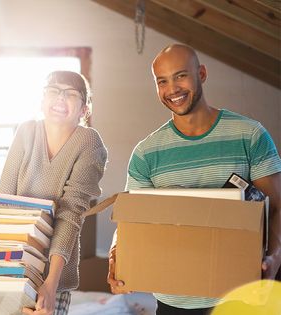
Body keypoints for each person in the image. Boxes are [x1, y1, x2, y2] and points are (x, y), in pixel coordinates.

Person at [107, 44, 281, 314]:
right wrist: (116, 256)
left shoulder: (249, 135)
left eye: (180, 76)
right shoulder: (146, 153)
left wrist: (275, 257)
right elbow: (133, 220)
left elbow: (278, 205)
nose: (172, 89)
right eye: (162, 81)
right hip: (173, 301)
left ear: (201, 73)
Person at [0, 70, 108, 315]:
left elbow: (70, 214)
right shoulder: (26, 131)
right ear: (42, 100)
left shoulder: (88, 142)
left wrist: (50, 283)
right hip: (6, 263)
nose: (60, 98)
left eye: (70, 94)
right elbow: (1, 201)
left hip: (51, 271)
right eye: (53, 91)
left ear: (84, 109)